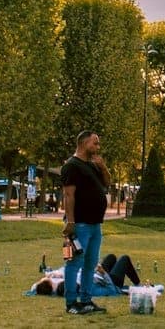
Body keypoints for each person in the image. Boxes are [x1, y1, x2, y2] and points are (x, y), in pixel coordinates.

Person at [61, 131, 111, 315]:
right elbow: (68, 195)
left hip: (95, 224)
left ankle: (87, 300)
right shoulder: (72, 166)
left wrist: (103, 167)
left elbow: (107, 183)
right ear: (83, 143)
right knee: (73, 262)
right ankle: (71, 302)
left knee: (91, 264)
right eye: (95, 143)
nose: (98, 147)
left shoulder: (93, 165)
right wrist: (71, 221)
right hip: (80, 224)